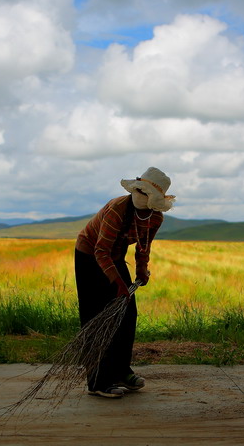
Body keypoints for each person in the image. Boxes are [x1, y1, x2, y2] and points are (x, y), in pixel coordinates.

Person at [75, 167, 175, 398]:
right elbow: (101, 251)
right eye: (138, 189)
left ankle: (121, 372)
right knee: (96, 315)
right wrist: (118, 283)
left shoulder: (155, 217)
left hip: (115, 256)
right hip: (90, 256)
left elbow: (144, 246)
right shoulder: (117, 210)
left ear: (154, 199)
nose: (140, 194)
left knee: (127, 314)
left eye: (146, 192)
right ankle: (98, 381)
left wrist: (141, 269)